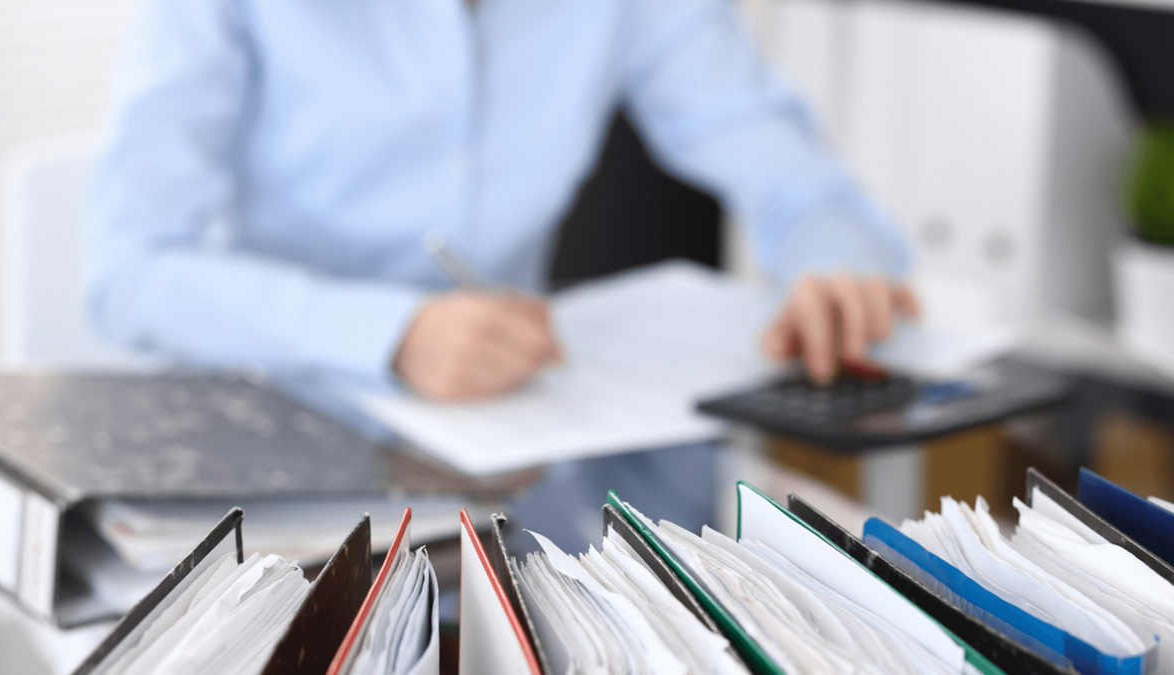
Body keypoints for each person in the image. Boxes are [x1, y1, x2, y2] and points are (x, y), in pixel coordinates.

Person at [86, 0, 918, 548]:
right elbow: (128, 272)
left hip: (511, 458)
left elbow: (793, 176)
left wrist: (831, 264)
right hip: (281, 456)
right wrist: (392, 334)